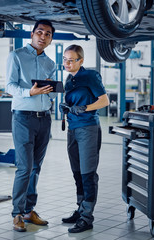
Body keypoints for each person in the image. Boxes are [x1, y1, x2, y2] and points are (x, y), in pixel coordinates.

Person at [5, 19, 57, 232]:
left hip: (44, 118)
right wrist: (30, 92)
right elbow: (9, 85)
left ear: (51, 39)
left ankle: (29, 210)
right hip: (23, 118)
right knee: (24, 168)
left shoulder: (50, 63)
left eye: (47, 34)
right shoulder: (16, 56)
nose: (43, 37)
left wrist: (51, 96)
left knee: (35, 168)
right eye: (39, 32)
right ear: (32, 34)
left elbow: (49, 89)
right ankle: (17, 213)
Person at [59, 44, 109, 233]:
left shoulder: (90, 76)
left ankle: (87, 217)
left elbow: (104, 100)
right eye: (65, 59)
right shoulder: (69, 79)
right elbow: (75, 100)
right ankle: (80, 210)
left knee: (88, 174)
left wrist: (85, 108)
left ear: (81, 61)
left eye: (72, 60)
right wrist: (66, 107)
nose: (67, 63)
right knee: (77, 172)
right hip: (72, 129)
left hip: (88, 128)